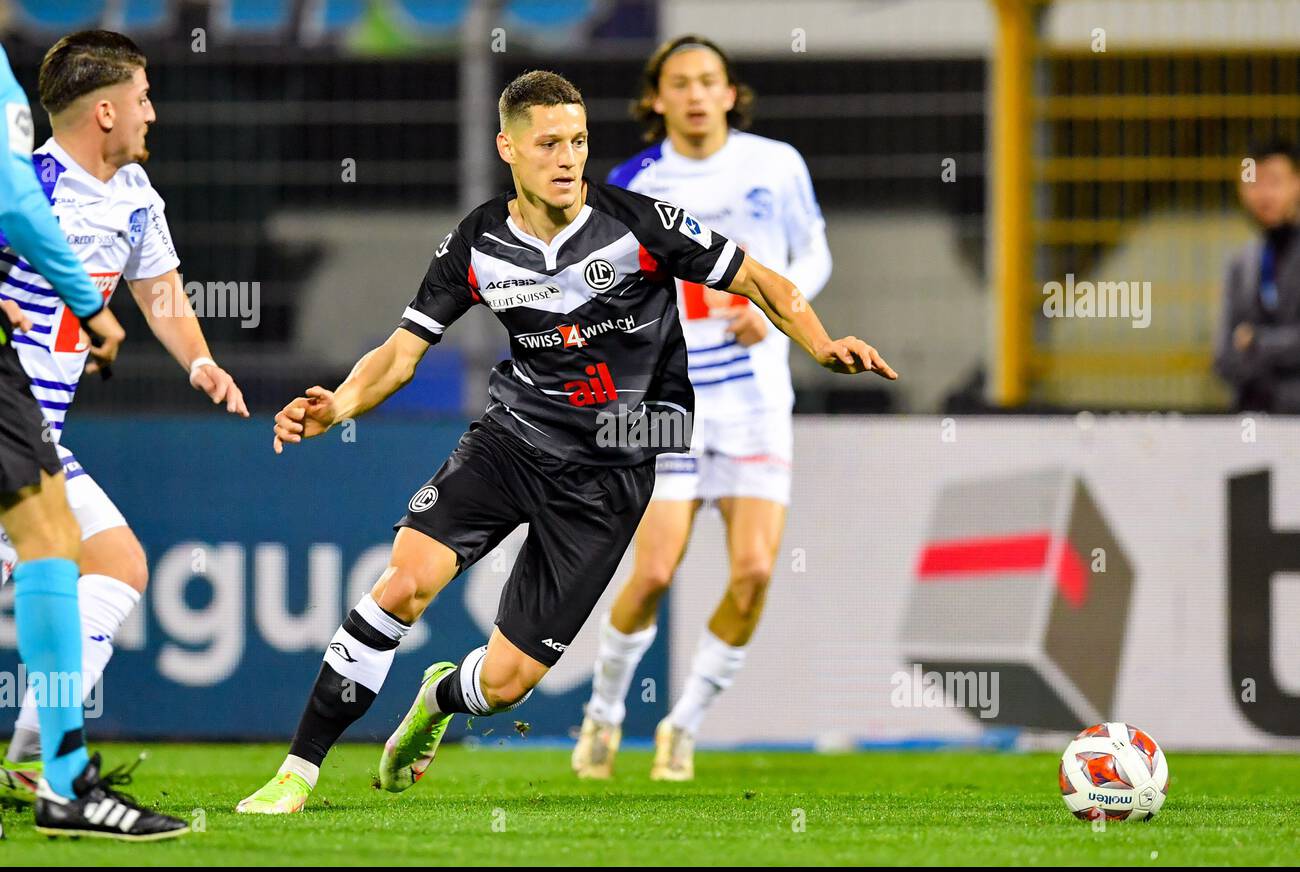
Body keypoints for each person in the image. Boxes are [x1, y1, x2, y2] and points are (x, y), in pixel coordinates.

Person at [237, 69, 894, 814]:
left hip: (613, 468)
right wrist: (340, 404)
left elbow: (763, 280)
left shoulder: (640, 224)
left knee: (507, 683)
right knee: (405, 582)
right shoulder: (477, 244)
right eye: (548, 143)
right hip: (513, 441)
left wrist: (821, 342)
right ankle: (297, 771)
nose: (568, 158)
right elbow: (400, 352)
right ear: (507, 148)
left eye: (578, 141)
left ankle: (439, 701)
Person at [0, 31, 247, 819]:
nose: (153, 110)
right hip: (10, 424)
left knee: (117, 564)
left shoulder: (135, 193)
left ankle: (39, 757)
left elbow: (160, 292)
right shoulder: (26, 183)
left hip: (37, 436)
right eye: (142, 97)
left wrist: (200, 362)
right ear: (104, 110)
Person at [572, 35, 833, 781]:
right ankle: (605, 712)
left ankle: (682, 726)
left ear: (729, 93)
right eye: (678, 83)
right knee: (653, 571)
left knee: (752, 572)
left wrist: (779, 305)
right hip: (668, 402)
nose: (694, 94)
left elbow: (814, 253)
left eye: (708, 81)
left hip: (754, 402)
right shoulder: (632, 179)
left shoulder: (775, 164)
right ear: (656, 98)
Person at [1214, 139, 1300, 412]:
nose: (1263, 194)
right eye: (1253, 183)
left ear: (1297, 183)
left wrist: (1256, 342)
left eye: (1274, 182)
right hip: (1254, 415)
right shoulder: (1240, 264)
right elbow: (1223, 357)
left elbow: (1240, 346)